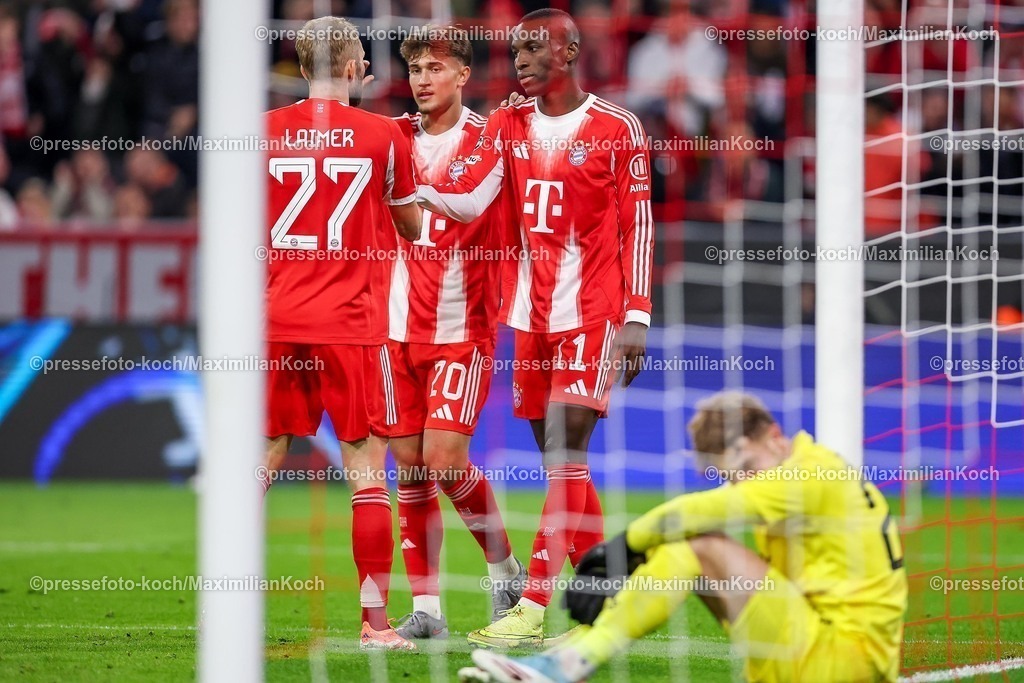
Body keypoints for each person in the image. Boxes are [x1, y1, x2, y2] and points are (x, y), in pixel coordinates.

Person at [416, 8, 654, 647]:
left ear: (570, 51)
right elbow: (467, 195)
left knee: (567, 456)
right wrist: (403, 182)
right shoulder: (506, 123)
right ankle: (608, 601)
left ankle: (530, 609)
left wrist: (636, 313)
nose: (519, 59)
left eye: (533, 48)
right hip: (527, 318)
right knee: (561, 464)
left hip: (593, 311)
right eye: (515, 50)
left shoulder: (617, 128)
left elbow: (637, 225)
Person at [464, 391, 908, 682]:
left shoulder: (804, 477)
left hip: (846, 660)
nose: (743, 485)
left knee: (700, 543)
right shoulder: (811, 467)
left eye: (747, 471)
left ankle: (566, 665)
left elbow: (699, 510)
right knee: (691, 548)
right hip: (823, 642)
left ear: (774, 436)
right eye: (734, 478)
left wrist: (625, 546)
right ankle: (566, 659)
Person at [261, 15, 421, 651]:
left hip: (276, 319)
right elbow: (410, 227)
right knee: (365, 469)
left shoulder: (263, 134)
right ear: (357, 67)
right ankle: (375, 625)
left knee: (261, 461)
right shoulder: (385, 135)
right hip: (353, 324)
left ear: (301, 70)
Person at [385, 25, 525, 642]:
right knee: (411, 466)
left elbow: (474, 204)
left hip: (461, 324)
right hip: (394, 325)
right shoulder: (390, 138)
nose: (422, 78)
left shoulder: (490, 137)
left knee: (445, 459)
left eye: (435, 67)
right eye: (415, 67)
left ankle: (504, 570)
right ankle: (428, 611)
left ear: (462, 75)